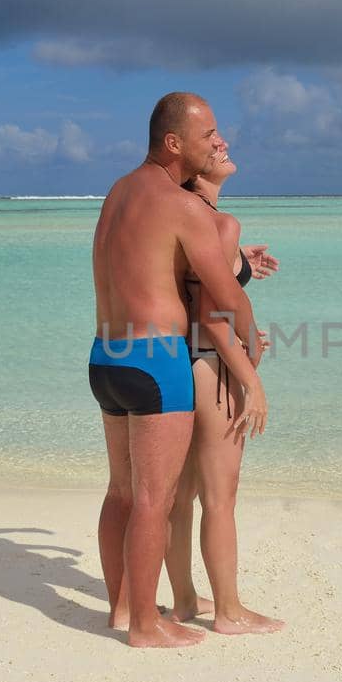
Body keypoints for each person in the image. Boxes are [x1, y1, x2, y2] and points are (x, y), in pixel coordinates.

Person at [88, 93, 267, 648]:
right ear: (174, 143)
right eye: (207, 132)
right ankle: (146, 625)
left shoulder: (119, 192)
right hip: (155, 361)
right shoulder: (183, 206)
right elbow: (225, 299)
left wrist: (238, 265)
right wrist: (251, 348)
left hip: (105, 356)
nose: (216, 139)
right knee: (154, 500)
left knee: (122, 492)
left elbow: (155, 262)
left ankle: (121, 609)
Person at [163, 153, 285, 634]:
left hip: (176, 362)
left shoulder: (178, 216)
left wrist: (241, 266)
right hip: (211, 367)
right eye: (213, 146)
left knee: (181, 496)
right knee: (219, 497)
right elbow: (213, 319)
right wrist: (251, 378)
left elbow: (195, 288)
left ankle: (184, 602)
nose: (224, 148)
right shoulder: (221, 222)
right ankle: (231, 614)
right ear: (196, 167)